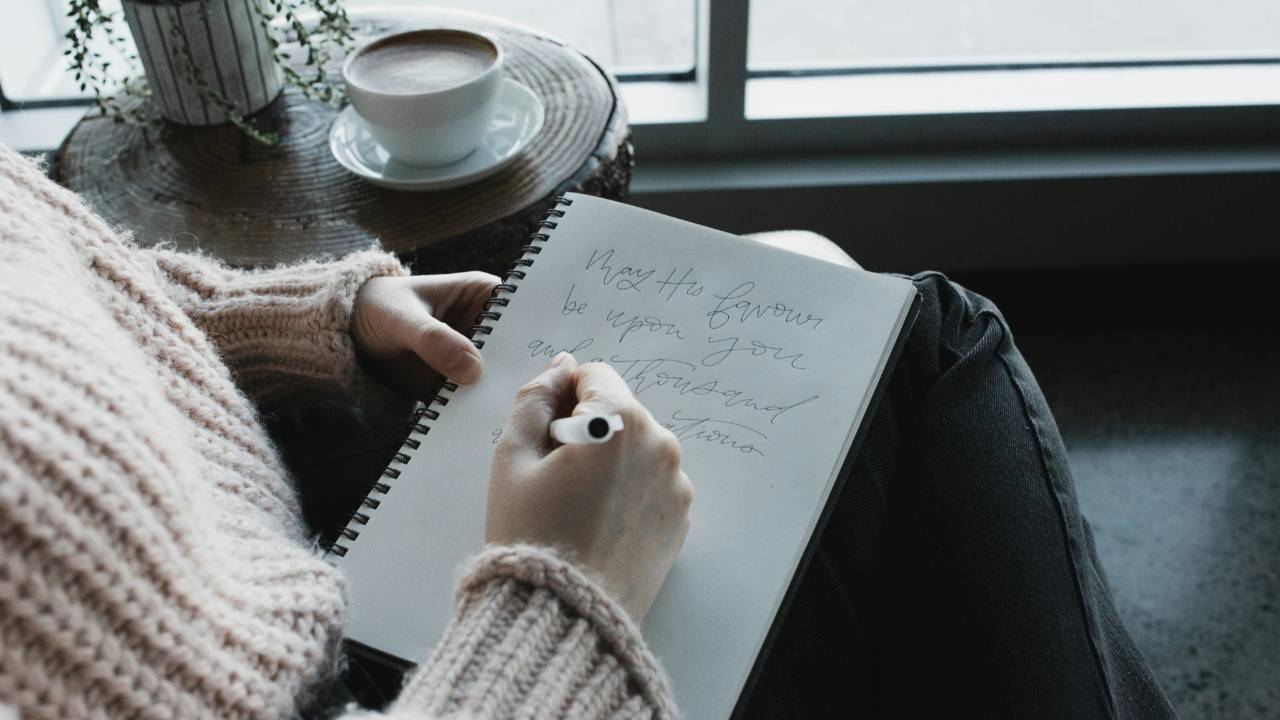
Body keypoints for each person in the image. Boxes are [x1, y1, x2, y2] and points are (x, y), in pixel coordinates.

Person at [0, 144, 1174, 719]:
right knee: (930, 338)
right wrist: (560, 586)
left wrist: (315, 320)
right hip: (408, 675)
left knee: (823, 284)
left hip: (259, 550)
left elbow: (57, 282)